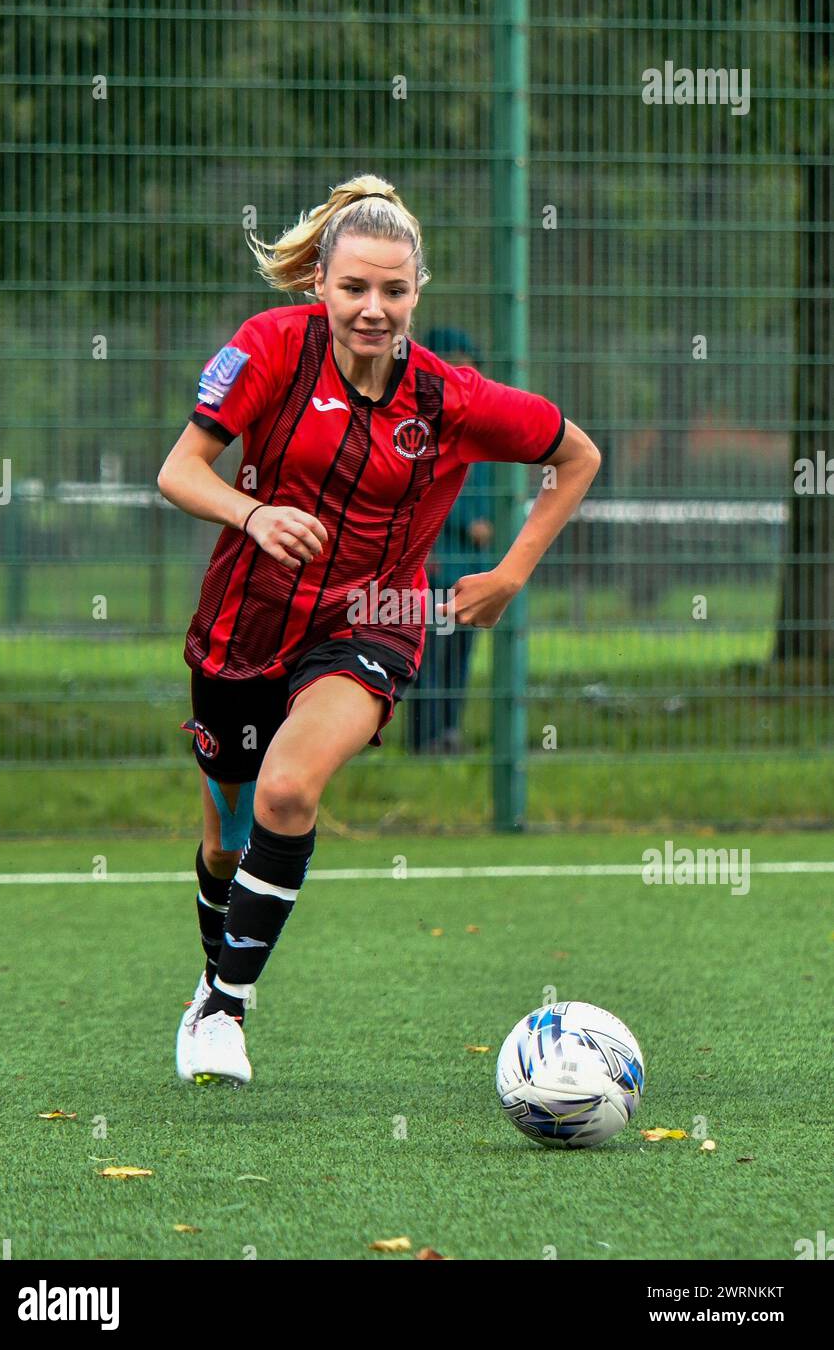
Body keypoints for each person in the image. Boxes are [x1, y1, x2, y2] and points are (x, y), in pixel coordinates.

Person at [157, 172, 600, 1086]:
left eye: (393, 291)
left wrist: (510, 574)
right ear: (319, 280)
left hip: (372, 620)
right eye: (355, 288)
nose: (373, 309)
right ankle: (212, 985)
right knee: (227, 837)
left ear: (417, 292)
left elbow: (576, 453)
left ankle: (226, 1014)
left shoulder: (452, 398)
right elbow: (180, 471)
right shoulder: (269, 349)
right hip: (241, 625)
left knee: (287, 792)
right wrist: (252, 518)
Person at [407, 327, 494, 754]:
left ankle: (450, 734)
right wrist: (467, 523)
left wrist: (489, 524)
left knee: (459, 656)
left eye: (470, 362)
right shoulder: (419, 431)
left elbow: (497, 494)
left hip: (472, 571)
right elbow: (426, 492)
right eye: (454, 362)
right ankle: (425, 739)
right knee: (429, 659)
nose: (466, 370)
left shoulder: (486, 428)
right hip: (435, 569)